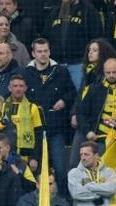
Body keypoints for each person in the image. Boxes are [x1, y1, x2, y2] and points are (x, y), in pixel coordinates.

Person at [23, 38, 76, 189]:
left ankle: (63, 200)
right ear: (33, 53)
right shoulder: (26, 73)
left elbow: (72, 92)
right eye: (39, 51)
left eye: (45, 51)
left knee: (60, 168)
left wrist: (64, 101)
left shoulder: (60, 71)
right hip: (34, 131)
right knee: (36, 170)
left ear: (50, 51)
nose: (43, 54)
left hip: (56, 129)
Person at [44, 0, 104, 90]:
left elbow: (97, 38)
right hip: (57, 65)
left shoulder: (88, 11)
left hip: (79, 64)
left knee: (80, 96)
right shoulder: (55, 12)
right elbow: (46, 36)